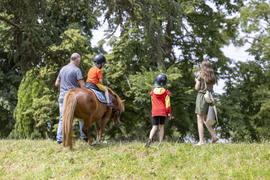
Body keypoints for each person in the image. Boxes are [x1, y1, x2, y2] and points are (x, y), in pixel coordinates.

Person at [55, 53, 87, 143]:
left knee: (62, 118)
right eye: (79, 62)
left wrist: (65, 85)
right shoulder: (77, 70)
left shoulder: (62, 69)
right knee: (81, 116)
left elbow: (57, 83)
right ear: (77, 60)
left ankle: (59, 139)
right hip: (72, 97)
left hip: (62, 97)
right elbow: (82, 86)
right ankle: (84, 137)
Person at [194, 59, 218, 146]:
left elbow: (197, 88)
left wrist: (197, 81)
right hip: (210, 98)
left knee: (200, 120)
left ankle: (201, 141)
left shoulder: (200, 75)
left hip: (202, 97)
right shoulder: (212, 77)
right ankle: (214, 136)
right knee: (205, 120)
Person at [145, 73, 172, 147]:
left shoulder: (153, 91)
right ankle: (160, 143)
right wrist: (169, 114)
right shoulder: (166, 92)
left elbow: (152, 102)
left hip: (155, 111)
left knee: (154, 127)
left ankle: (150, 138)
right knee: (161, 127)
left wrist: (152, 110)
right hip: (162, 112)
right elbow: (168, 104)